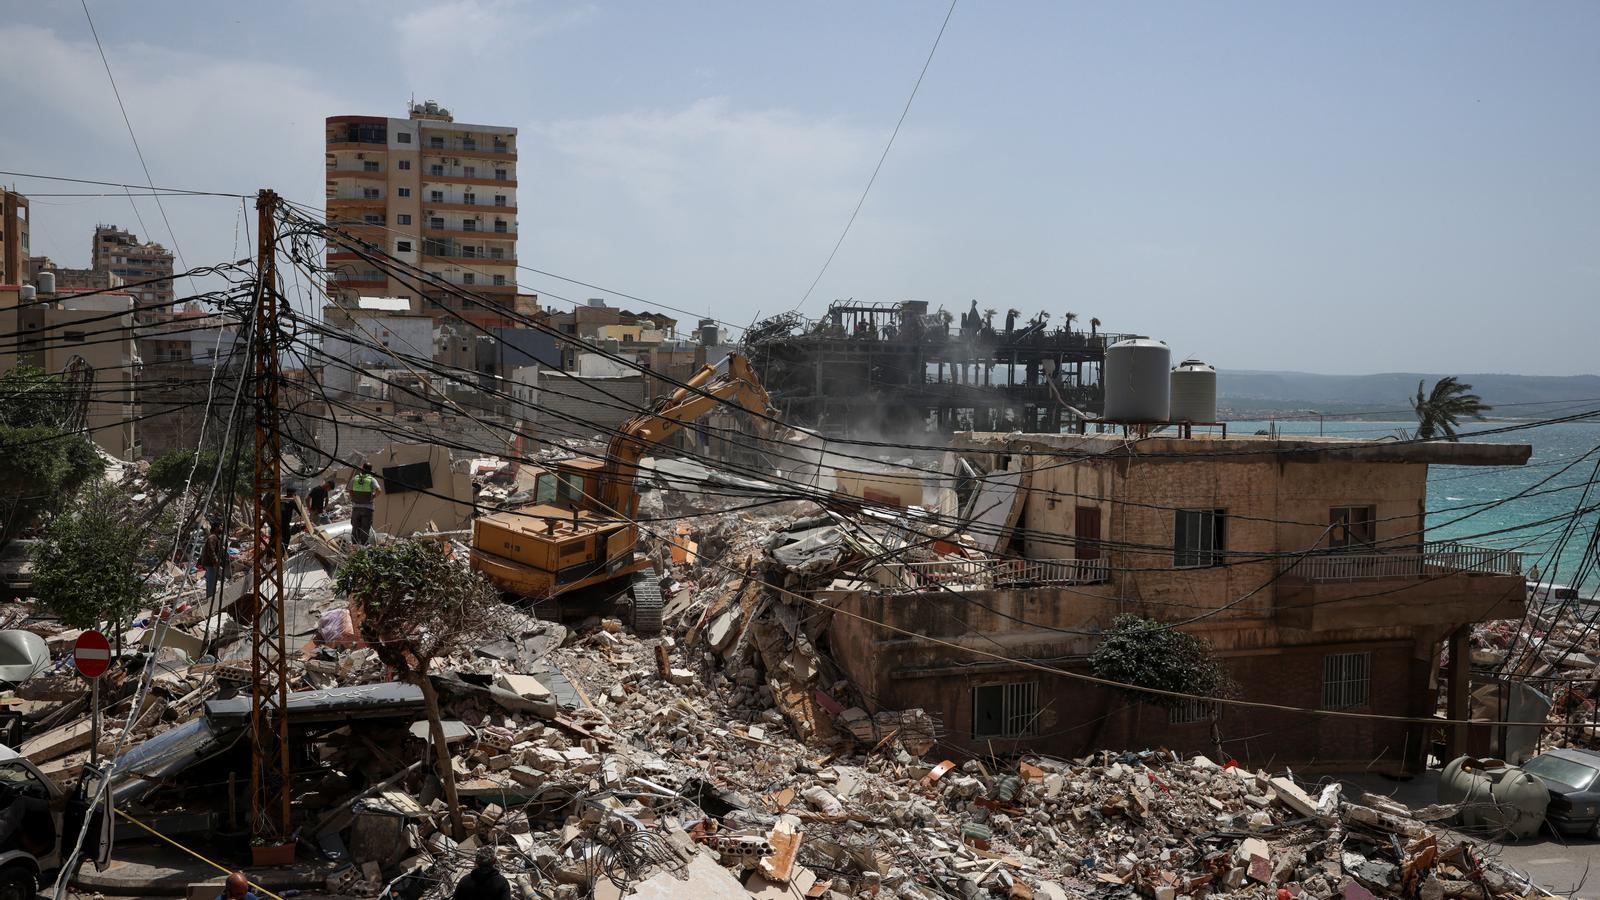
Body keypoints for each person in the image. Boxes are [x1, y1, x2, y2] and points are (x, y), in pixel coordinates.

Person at [350, 462, 381, 545]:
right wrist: (372, 497)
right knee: (365, 528)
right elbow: (379, 490)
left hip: (356, 507)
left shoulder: (355, 479)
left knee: (355, 527)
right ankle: (363, 547)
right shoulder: (371, 479)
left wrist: (353, 499)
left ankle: (355, 546)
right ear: (370, 471)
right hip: (367, 508)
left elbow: (350, 490)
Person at [199, 521, 228, 601]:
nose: (221, 528)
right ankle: (210, 600)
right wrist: (216, 562)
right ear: (216, 528)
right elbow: (211, 551)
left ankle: (212, 599)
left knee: (213, 582)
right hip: (211, 564)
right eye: (220, 527)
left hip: (212, 563)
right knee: (211, 583)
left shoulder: (216, 537)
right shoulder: (213, 538)